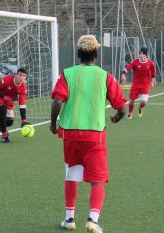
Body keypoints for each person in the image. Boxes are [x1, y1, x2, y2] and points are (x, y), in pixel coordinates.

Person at [50, 35, 127, 233]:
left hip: (71, 134)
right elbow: (121, 107)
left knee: (72, 175)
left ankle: (69, 219)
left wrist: (53, 124)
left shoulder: (67, 74)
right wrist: (117, 117)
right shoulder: (105, 76)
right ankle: (92, 219)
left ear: (78, 54)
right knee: (97, 179)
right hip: (95, 136)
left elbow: (57, 101)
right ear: (96, 54)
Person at [0, 67, 30, 143]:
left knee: (9, 122)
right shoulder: (5, 80)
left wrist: (24, 120)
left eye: (24, 76)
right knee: (3, 108)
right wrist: (3, 97)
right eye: (20, 75)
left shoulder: (23, 88)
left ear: (26, 78)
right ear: (16, 75)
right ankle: (4, 135)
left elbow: (22, 105)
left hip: (8, 100)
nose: (21, 77)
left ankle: (0, 125)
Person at [121, 47, 156, 119]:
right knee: (131, 101)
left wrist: (152, 81)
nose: (141, 55)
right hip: (136, 85)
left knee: (144, 102)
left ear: (146, 55)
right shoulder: (135, 62)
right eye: (140, 53)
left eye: (142, 53)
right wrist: (123, 74)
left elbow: (153, 73)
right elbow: (127, 68)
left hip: (145, 85)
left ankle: (140, 108)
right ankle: (130, 113)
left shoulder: (150, 63)